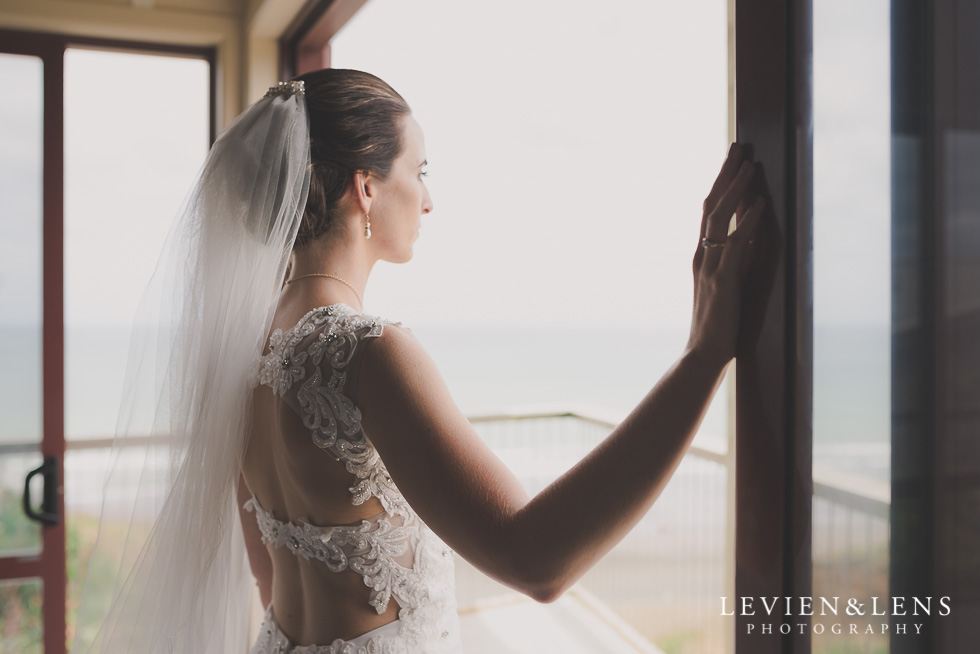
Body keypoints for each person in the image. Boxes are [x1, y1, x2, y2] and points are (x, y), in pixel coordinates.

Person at [71, 68, 764, 654]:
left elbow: (268, 576)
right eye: (419, 170)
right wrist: (703, 359)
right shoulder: (366, 351)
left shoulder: (241, 351)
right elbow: (536, 560)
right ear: (365, 188)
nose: (429, 200)